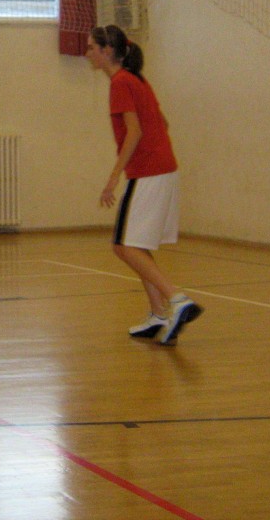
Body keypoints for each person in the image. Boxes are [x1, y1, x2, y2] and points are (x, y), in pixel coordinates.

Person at [85, 25, 203, 346]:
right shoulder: (137, 80)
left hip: (148, 172)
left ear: (107, 51)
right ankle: (159, 315)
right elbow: (162, 123)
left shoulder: (120, 83)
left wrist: (113, 177)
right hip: (163, 170)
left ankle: (177, 300)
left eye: (92, 47)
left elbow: (134, 132)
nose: (87, 53)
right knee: (138, 244)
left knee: (123, 245)